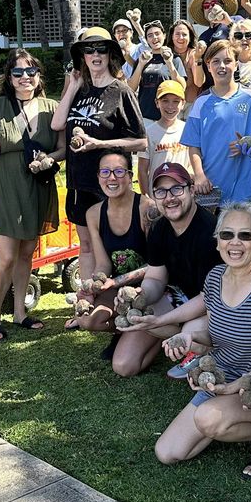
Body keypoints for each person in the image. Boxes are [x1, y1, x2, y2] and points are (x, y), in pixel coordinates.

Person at [139, 203, 251, 479]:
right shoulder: (215, 278)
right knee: (168, 452)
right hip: (221, 379)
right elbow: (214, 336)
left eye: (245, 235)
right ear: (217, 241)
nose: (235, 243)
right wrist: (188, 337)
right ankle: (224, 416)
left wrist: (235, 387)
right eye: (227, 235)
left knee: (207, 419)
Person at [0, 50, 62, 341]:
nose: (25, 77)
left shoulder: (51, 107)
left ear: (39, 75)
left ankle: (20, 312)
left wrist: (48, 159)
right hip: (7, 184)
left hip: (38, 183)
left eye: (31, 71)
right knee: (7, 254)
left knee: (26, 252)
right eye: (18, 72)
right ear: (9, 78)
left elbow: (62, 148)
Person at [109, 162, 222, 378]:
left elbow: (207, 298)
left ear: (191, 190)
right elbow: (155, 278)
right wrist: (138, 297)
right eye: (161, 191)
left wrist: (161, 321)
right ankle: (174, 341)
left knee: (188, 332)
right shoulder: (159, 227)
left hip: (212, 309)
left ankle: (204, 349)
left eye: (176, 189)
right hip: (178, 299)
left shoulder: (210, 232)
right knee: (124, 365)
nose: (169, 197)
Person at [52, 27, 146, 281]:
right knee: (86, 246)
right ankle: (87, 296)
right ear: (82, 57)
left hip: (110, 183)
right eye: (88, 50)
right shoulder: (79, 90)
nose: (95, 55)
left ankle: (117, 293)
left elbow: (141, 141)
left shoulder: (121, 91)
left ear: (109, 54)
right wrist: (73, 86)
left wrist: (99, 144)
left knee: (113, 246)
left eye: (101, 49)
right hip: (79, 181)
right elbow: (57, 124)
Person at [76, 151, 152, 354]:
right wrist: (93, 287)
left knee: (125, 364)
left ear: (130, 176)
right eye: (105, 172)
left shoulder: (147, 209)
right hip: (117, 286)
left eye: (119, 171)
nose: (111, 178)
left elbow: (157, 265)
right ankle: (124, 331)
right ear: (98, 177)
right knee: (87, 320)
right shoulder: (93, 213)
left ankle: (146, 333)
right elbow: (103, 264)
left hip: (150, 286)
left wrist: (117, 282)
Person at [182, 40, 251, 207]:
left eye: (228, 61)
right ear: (208, 66)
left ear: (236, 64)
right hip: (211, 186)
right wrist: (199, 175)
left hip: (245, 188)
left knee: (245, 224)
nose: (222, 66)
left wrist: (249, 144)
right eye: (216, 61)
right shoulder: (201, 102)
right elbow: (193, 145)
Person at [123, 19, 186, 121]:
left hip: (168, 115)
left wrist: (169, 63)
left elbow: (182, 87)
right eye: (150, 35)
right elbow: (131, 88)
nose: (154, 38)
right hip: (145, 115)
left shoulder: (174, 59)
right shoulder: (142, 58)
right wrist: (141, 64)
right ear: (147, 40)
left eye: (157, 34)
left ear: (164, 36)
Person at [137, 80, 189, 196]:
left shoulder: (188, 130)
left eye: (176, 101)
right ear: (157, 102)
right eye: (165, 101)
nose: (170, 106)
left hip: (183, 194)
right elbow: (142, 170)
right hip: (158, 196)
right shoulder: (148, 133)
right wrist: (147, 197)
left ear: (183, 104)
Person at [168, 17, 208, 102]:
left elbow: (199, 83)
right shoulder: (166, 54)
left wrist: (198, 58)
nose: (181, 37)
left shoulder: (194, 54)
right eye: (177, 34)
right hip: (169, 104)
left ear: (190, 37)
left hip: (190, 104)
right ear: (172, 36)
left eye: (184, 34)